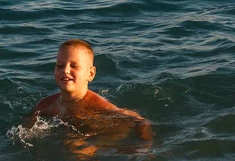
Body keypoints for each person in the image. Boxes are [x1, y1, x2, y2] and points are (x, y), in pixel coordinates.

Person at [24, 39, 153, 144]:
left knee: (75, 148)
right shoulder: (47, 104)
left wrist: (146, 143)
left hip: (100, 141)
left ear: (90, 74)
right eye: (60, 65)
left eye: (74, 66)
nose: (66, 70)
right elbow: (27, 124)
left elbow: (139, 120)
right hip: (70, 137)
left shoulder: (98, 106)